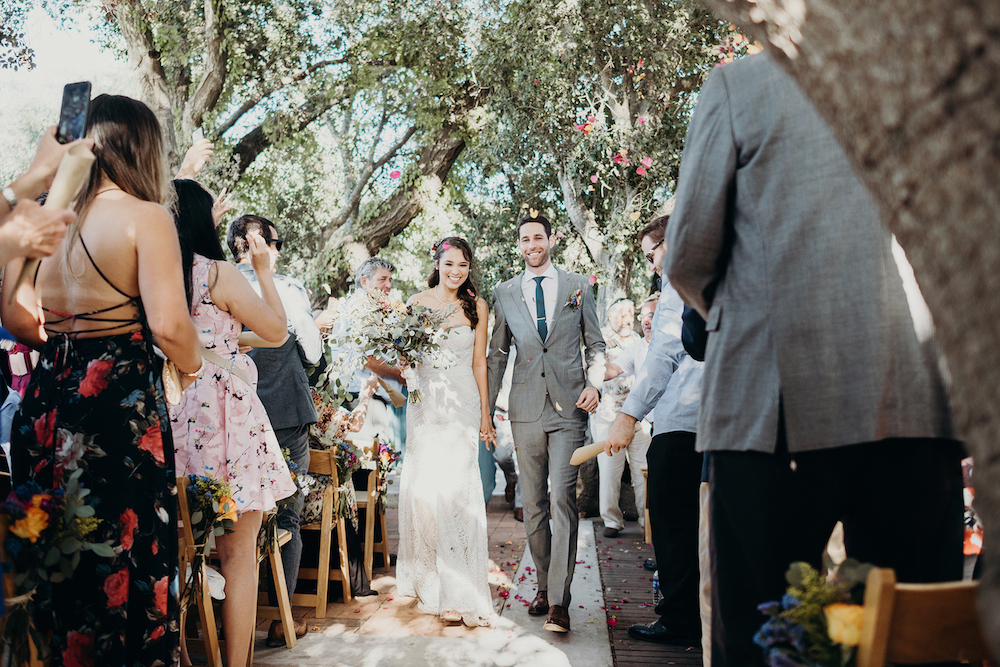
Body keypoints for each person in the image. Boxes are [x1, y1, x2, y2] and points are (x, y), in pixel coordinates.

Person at [663, 54, 963, 667]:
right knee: (911, 638)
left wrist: (747, 313)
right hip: (917, 395)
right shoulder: (941, 82)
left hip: (772, 400)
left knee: (756, 627)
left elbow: (689, 252)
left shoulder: (741, 85)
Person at [1, 95, 202, 665]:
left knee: (55, 561)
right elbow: (169, 325)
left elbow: (16, 317)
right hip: (119, 407)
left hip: (48, 401)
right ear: (142, 149)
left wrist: (69, 348)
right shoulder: (147, 216)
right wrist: (191, 367)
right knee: (122, 555)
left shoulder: (43, 216)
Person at [169, 179, 296, 666]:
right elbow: (277, 330)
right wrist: (264, 271)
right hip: (225, 415)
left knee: (175, 545)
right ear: (207, 223)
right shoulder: (218, 273)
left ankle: (179, 654)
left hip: (173, 405)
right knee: (238, 554)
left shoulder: (151, 275)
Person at [487, 213, 606, 634]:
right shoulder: (504, 292)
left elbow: (596, 345)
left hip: (570, 409)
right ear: (518, 244)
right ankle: (541, 585)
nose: (532, 244)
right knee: (533, 503)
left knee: (562, 501)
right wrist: (486, 410)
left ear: (551, 240)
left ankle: (559, 601)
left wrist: (594, 383)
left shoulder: (577, 286)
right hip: (524, 410)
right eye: (525, 239)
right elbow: (497, 354)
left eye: (538, 237)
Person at [605, 215, 705, 648]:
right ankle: (702, 613)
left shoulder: (677, 283)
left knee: (672, 523)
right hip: (719, 422)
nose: (652, 265)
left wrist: (628, 416)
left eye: (652, 253)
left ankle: (681, 618)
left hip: (681, 419)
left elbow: (664, 354)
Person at [227, 215, 324, 646]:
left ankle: (227, 622)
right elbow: (315, 349)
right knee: (286, 516)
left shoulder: (210, 280)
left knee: (228, 519)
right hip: (282, 412)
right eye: (277, 242)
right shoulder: (286, 286)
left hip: (226, 417)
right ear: (262, 245)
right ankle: (279, 619)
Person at [396, 236, 495, 626]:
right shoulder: (416, 304)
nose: (456, 272)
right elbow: (403, 356)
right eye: (450, 264)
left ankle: (459, 591)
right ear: (437, 263)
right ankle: (433, 581)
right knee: (427, 493)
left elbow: (479, 364)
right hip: (426, 402)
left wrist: (485, 413)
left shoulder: (478, 306)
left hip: (463, 403)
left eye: (463, 266)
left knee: (457, 493)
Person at [592, 297, 646, 538]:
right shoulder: (599, 339)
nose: (627, 318)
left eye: (630, 313)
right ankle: (612, 521)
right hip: (607, 418)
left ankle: (648, 520)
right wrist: (603, 353)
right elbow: (590, 370)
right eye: (622, 313)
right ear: (610, 316)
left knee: (643, 470)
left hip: (639, 418)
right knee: (610, 471)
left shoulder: (640, 340)